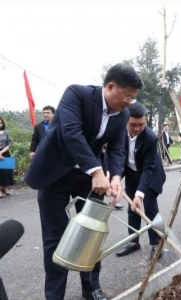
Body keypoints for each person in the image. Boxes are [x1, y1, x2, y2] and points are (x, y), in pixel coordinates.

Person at [24, 63, 143, 300]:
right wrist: (97, 170)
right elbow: (71, 132)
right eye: (127, 96)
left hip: (89, 179)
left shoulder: (124, 115)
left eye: (133, 99)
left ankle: (91, 288)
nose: (129, 103)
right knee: (55, 239)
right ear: (110, 87)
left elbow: (117, 149)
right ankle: (55, 295)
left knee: (91, 236)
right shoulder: (76, 94)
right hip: (55, 175)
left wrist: (116, 177)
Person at [115, 102, 166, 260]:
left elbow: (149, 168)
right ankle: (133, 241)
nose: (137, 129)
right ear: (126, 121)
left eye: (141, 125)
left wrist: (140, 194)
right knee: (132, 207)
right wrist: (114, 180)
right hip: (132, 172)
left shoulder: (150, 138)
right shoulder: (119, 132)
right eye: (133, 125)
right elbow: (118, 158)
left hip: (150, 175)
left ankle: (156, 243)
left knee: (150, 208)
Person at [0, 117, 14, 197]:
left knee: (6, 172)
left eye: (1, 122)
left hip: (5, 153)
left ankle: (5, 188)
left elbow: (9, 143)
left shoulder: (6, 133)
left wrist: (1, 152)